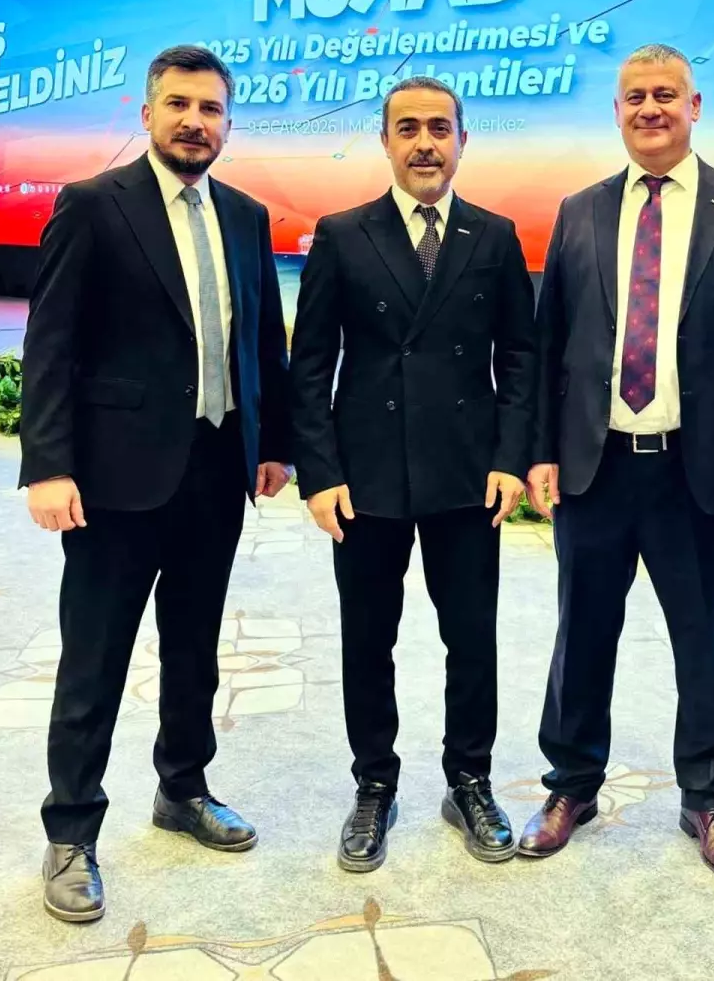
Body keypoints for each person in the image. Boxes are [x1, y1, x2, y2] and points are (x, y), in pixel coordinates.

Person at [19, 44, 292, 923]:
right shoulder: (93, 205)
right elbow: (50, 344)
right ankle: (72, 831)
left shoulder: (245, 215)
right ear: (147, 114)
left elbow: (263, 340)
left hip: (215, 471)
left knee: (194, 650)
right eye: (178, 105)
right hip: (114, 480)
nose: (194, 122)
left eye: (210, 109)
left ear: (227, 124)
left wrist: (273, 442)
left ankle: (183, 789)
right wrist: (48, 465)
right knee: (94, 658)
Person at [519, 44, 714, 880]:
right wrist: (540, 451)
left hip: (697, 470)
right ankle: (571, 787)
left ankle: (708, 799)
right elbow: (551, 344)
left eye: (665, 94)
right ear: (617, 111)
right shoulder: (580, 210)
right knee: (581, 636)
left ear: (694, 105)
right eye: (635, 96)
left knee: (706, 641)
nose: (650, 109)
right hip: (595, 467)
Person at [289, 75, 536, 871]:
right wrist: (319, 472)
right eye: (408, 129)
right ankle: (374, 784)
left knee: (472, 637)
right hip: (365, 477)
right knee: (369, 637)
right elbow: (310, 364)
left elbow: (520, 358)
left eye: (439, 128)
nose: (425, 143)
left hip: (468, 473)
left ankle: (470, 780)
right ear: (386, 141)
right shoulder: (342, 233)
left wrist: (510, 458)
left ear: (463, 140)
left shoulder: (494, 235)